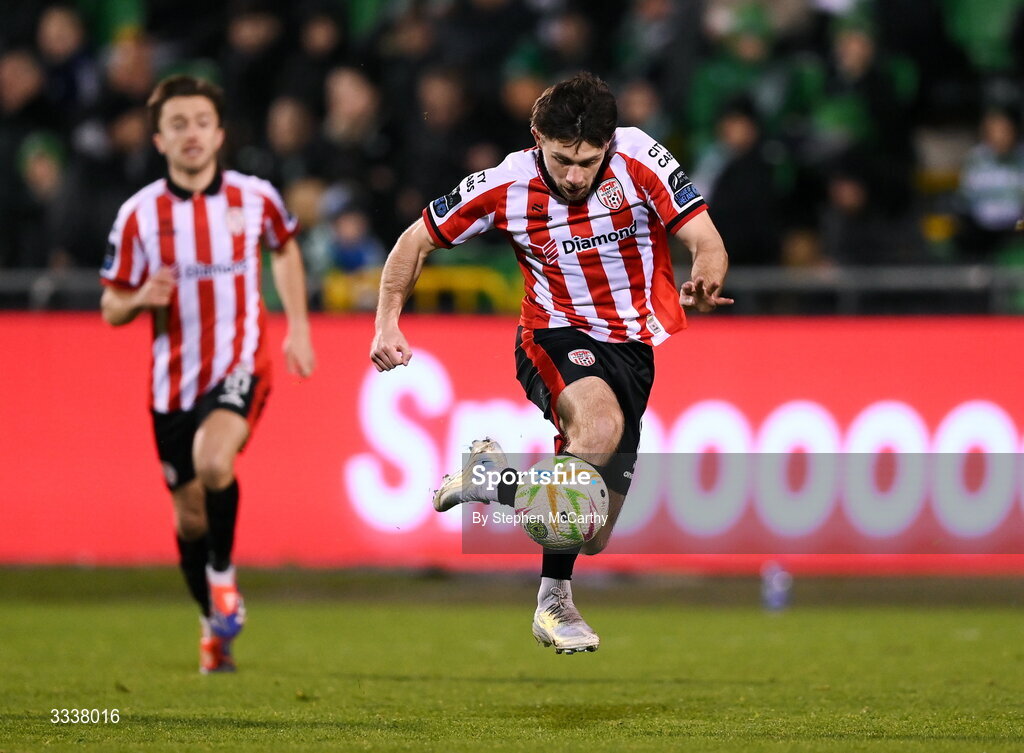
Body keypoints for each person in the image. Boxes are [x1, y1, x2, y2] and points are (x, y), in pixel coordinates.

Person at [371, 73, 730, 654]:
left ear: (609, 145)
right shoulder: (503, 183)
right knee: (598, 427)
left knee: (592, 533)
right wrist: (387, 319)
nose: (574, 175)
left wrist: (707, 276)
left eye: (589, 161)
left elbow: (706, 239)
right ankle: (553, 600)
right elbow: (414, 242)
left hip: (633, 351)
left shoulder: (642, 157)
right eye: (563, 159)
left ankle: (493, 481)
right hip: (553, 335)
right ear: (537, 136)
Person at [99, 75, 316, 674]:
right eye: (177, 124)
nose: (190, 133)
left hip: (242, 362)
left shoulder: (255, 197)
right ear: (159, 139)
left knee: (214, 461)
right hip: (171, 384)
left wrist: (298, 326)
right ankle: (210, 624)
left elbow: (286, 247)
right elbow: (110, 306)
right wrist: (141, 296)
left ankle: (223, 577)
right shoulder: (139, 216)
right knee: (188, 515)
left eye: (200, 122)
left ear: (219, 133)